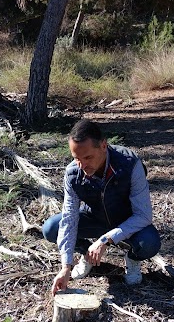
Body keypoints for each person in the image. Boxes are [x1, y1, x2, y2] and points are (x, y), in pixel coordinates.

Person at [43, 119, 161, 296]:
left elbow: (143, 216)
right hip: (95, 218)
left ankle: (133, 258)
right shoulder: (73, 174)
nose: (82, 166)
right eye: (76, 158)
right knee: (51, 228)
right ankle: (86, 253)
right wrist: (66, 266)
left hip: (126, 221)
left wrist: (106, 239)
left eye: (88, 157)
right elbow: (69, 218)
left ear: (104, 146)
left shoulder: (130, 164)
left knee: (150, 243)